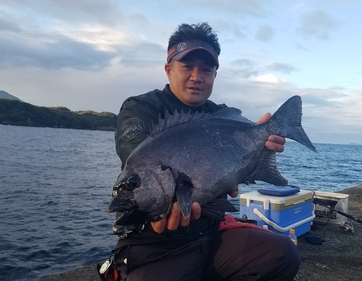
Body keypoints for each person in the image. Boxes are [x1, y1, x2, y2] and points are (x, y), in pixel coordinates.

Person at [109, 22, 301, 281]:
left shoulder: (220, 115)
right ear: (168, 69)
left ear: (214, 75)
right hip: (155, 246)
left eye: (206, 69)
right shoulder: (141, 108)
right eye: (187, 66)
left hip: (212, 236)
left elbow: (232, 167)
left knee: (282, 254)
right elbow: (139, 159)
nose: (196, 76)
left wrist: (265, 140)